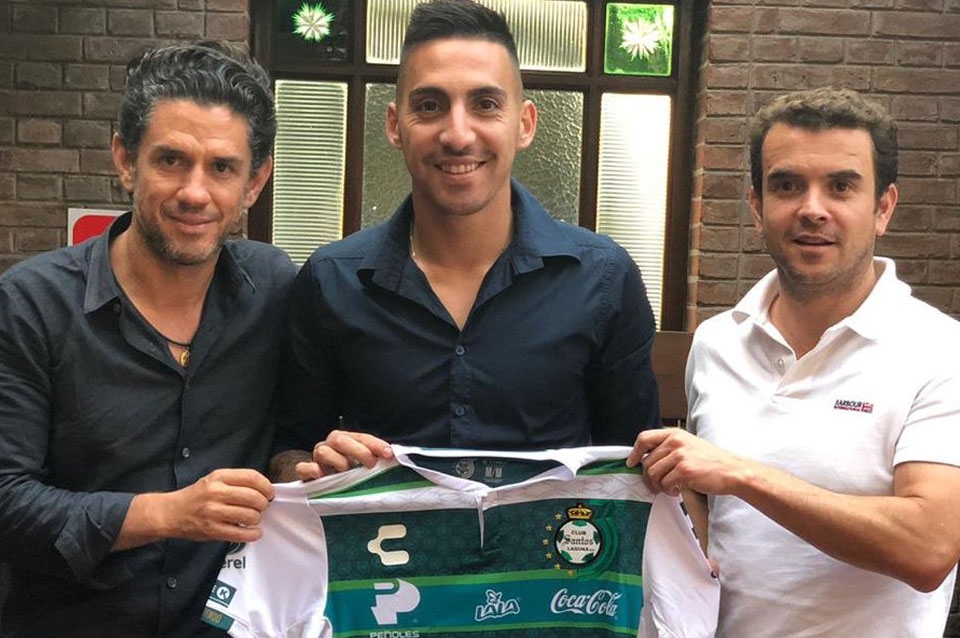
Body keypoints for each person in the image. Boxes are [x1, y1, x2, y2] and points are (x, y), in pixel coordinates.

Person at [272, 0, 660, 481]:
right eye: (429, 106)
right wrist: (310, 468)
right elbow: (287, 450)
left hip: (553, 533)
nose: (457, 135)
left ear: (525, 124)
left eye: (486, 105)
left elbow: (636, 464)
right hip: (384, 531)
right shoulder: (332, 281)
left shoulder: (602, 277)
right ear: (395, 126)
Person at [629, 87, 960, 637]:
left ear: (883, 208)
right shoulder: (717, 342)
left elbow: (928, 548)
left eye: (841, 186)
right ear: (757, 206)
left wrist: (744, 476)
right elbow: (713, 512)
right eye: (787, 185)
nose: (812, 208)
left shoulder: (940, 349)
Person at [0, 42, 296, 636]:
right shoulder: (31, 304)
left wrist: (302, 465)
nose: (195, 192)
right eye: (171, 160)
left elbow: (294, 433)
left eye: (222, 167)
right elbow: (7, 500)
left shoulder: (275, 289)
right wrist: (167, 513)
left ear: (255, 182)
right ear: (125, 161)